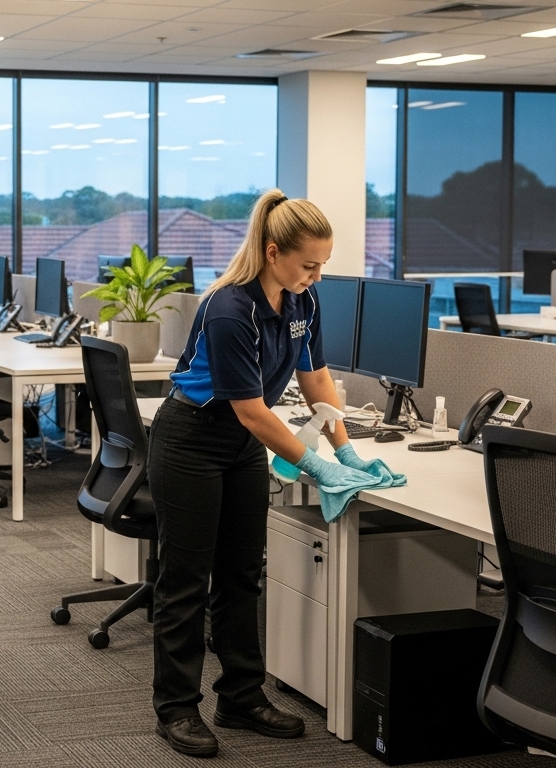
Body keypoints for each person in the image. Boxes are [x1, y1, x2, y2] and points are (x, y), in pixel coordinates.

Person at [148, 188, 390, 757]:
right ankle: (176, 708)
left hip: (241, 445)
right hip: (192, 440)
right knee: (186, 579)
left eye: (323, 265)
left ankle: (241, 696)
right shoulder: (230, 309)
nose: (317, 276)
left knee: (241, 574)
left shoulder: (302, 301)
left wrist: (345, 449)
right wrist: (316, 468)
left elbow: (317, 381)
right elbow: (252, 410)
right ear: (273, 250)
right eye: (309, 264)